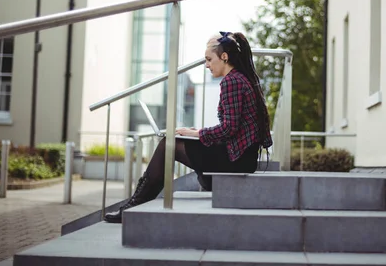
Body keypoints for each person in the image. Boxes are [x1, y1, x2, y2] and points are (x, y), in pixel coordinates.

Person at [104, 31, 273, 223]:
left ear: (224, 57)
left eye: (209, 59)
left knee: (169, 144)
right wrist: (195, 134)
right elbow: (232, 128)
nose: (207, 65)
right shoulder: (239, 79)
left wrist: (198, 133)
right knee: (173, 142)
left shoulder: (232, 81)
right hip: (241, 156)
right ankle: (135, 203)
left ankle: (134, 205)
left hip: (236, 159)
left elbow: (229, 129)